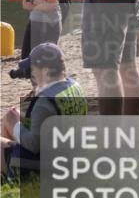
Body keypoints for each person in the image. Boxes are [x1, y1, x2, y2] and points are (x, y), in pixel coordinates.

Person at [1, 43, 87, 181]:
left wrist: (16, 125)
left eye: (33, 69)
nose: (31, 74)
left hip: (49, 166)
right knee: (11, 116)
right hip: (71, 155)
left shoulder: (44, 103)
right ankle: (7, 170)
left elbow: (34, 144)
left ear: (46, 71)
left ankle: (10, 177)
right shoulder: (74, 86)